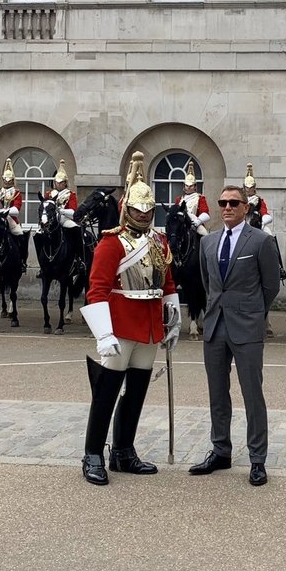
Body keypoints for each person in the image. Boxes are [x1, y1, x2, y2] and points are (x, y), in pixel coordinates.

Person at [79, 151, 181, 486]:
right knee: (106, 393)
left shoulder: (158, 240)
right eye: (139, 208)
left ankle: (123, 450)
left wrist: (174, 318)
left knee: (136, 392)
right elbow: (96, 290)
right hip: (121, 324)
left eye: (149, 208)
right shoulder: (111, 244)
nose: (144, 213)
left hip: (150, 326)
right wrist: (103, 334)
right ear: (127, 208)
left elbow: (166, 282)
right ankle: (93, 453)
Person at [189, 184, 280, 486]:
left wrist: (254, 313)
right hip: (215, 325)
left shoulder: (261, 242)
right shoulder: (208, 243)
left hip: (247, 326)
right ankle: (221, 450)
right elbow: (208, 282)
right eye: (222, 202)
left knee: (252, 395)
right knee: (217, 393)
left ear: (245, 208)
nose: (226, 207)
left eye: (233, 202)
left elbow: (271, 286)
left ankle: (257, 459)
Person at [244, 162, 286, 282]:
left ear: (254, 187)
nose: (249, 190)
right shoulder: (240, 201)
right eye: (247, 188)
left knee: (270, 236)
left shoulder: (259, 200)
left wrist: (263, 222)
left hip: (257, 225)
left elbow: (266, 213)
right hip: (241, 224)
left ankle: (279, 267)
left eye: (251, 187)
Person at [43, 160, 85, 279]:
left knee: (76, 229)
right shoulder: (49, 194)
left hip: (64, 219)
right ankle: (43, 263)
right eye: (56, 182)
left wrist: (60, 211)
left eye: (60, 182)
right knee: (38, 234)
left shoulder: (70, 194)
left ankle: (79, 259)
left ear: (65, 183)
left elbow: (73, 212)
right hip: (51, 220)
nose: (58, 184)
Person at [181, 160, 211, 236]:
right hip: (181, 224)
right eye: (187, 186)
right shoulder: (179, 199)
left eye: (191, 186)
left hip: (195, 224)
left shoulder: (200, 198)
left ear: (195, 186)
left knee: (205, 235)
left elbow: (205, 213)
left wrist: (198, 221)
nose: (188, 188)